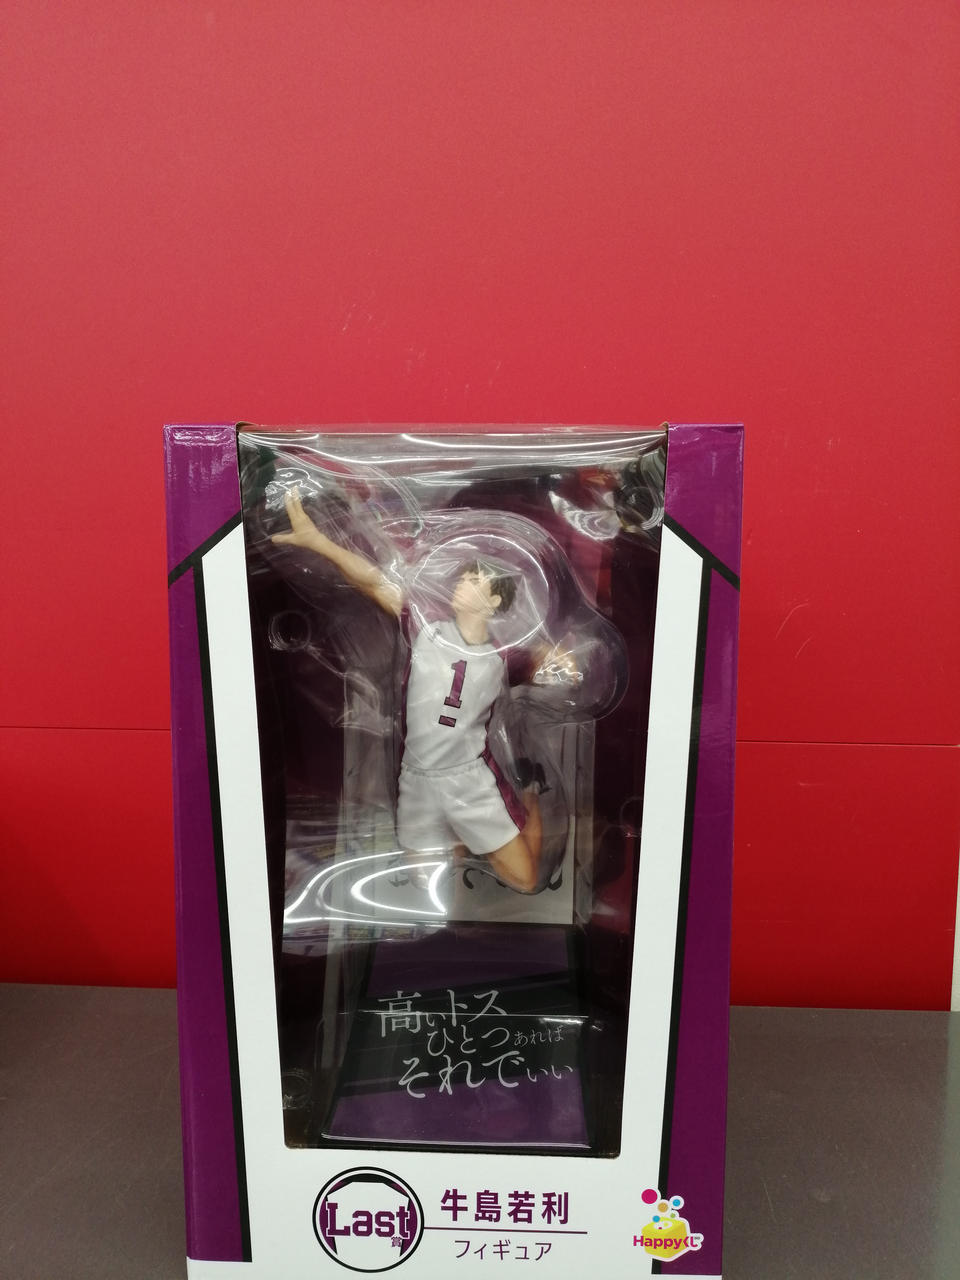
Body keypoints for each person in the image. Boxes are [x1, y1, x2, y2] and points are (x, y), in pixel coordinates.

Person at [273, 489, 559, 893]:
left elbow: (551, 661)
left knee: (526, 881)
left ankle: (529, 788)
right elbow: (373, 580)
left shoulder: (504, 655)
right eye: (464, 577)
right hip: (417, 776)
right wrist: (319, 542)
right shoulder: (425, 627)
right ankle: (462, 857)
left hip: (468, 778)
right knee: (430, 886)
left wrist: (565, 660)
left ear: (493, 601)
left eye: (474, 581)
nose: (461, 584)